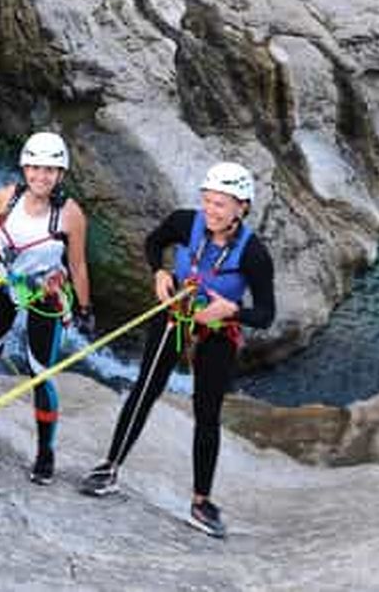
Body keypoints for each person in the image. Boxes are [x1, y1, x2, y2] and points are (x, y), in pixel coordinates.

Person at [79, 161, 275, 539]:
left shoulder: (253, 254)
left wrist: (232, 310)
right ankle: (109, 467)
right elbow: (154, 242)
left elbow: (266, 314)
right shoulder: (186, 222)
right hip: (175, 314)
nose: (211, 210)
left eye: (220, 204)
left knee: (207, 412)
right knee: (145, 389)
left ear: (242, 207)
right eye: (207, 201)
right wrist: (159, 271)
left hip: (217, 329)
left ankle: (201, 502)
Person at [0, 131, 93, 485]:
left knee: (40, 374)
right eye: (35, 168)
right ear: (24, 168)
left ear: (60, 174)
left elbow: (77, 265)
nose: (41, 176)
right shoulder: (5, 198)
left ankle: (45, 454)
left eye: (49, 170)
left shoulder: (70, 215)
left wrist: (84, 308)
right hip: (3, 284)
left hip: (46, 294)